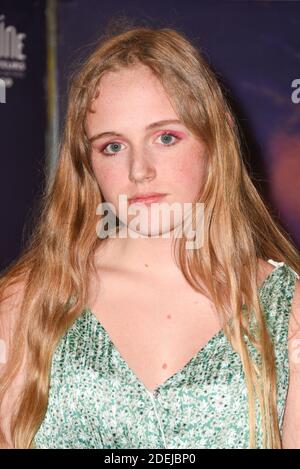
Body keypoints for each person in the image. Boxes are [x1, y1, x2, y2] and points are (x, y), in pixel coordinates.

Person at [0, 25, 300, 450]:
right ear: (87, 162)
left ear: (217, 137)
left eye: (165, 137)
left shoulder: (288, 309)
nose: (140, 170)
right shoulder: (28, 303)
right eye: (112, 146)